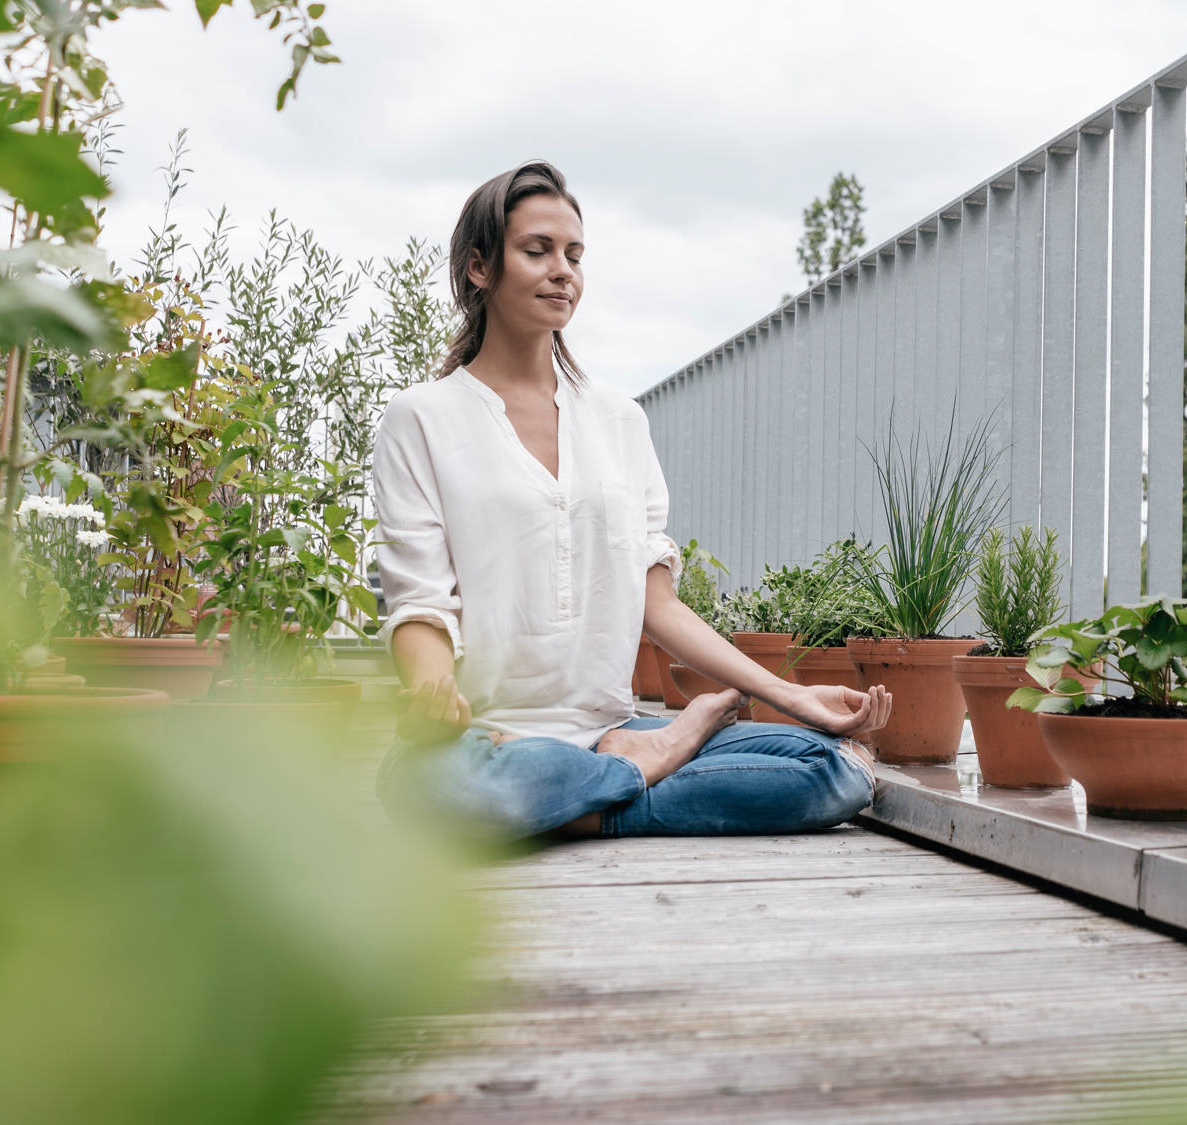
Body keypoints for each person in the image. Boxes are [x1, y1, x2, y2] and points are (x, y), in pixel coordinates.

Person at [372, 160, 891, 842]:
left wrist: (793, 697)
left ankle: (597, 788)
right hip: (495, 737)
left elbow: (658, 605)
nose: (564, 270)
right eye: (538, 251)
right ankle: (655, 762)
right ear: (479, 268)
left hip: (611, 728)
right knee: (420, 784)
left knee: (835, 769)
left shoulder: (620, 420)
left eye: (575, 255)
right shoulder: (421, 418)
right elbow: (419, 606)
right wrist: (433, 691)